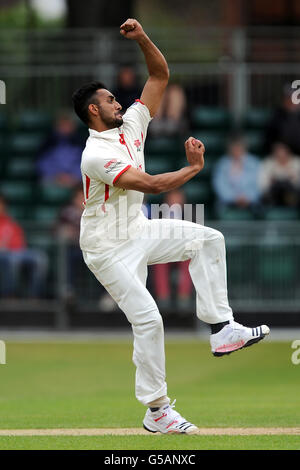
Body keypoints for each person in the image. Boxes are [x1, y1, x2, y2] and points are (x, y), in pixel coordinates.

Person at [72, 18, 269, 435]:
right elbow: (150, 183)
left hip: (138, 229)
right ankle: (157, 410)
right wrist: (194, 168)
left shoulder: (132, 126)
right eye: (110, 99)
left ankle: (221, 328)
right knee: (149, 319)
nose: (118, 102)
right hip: (107, 248)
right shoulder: (95, 154)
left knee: (209, 239)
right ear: (94, 110)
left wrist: (142, 38)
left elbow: (160, 75)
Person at [151, 189, 193, 313]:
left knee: (188, 262)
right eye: (172, 198)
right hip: (164, 251)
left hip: (183, 250)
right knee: (158, 263)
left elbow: (195, 234)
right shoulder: (158, 214)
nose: (175, 201)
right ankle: (163, 296)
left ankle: (183, 297)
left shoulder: (191, 214)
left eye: (177, 198)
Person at [0, 194, 48, 298]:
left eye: (2, 204)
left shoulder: (10, 222)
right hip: (5, 255)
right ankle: (10, 295)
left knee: (40, 257)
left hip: (17, 251)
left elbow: (20, 242)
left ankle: (34, 296)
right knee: (13, 260)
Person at [212, 136, 261, 214]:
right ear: (230, 148)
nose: (237, 149)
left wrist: (248, 198)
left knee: (260, 208)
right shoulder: (222, 164)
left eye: (239, 146)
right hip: (227, 202)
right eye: (234, 147)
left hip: (251, 203)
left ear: (244, 147)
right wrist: (234, 198)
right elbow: (219, 186)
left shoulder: (254, 163)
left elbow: (259, 185)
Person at [36, 111, 83, 187]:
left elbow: (85, 163)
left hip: (75, 179)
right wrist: (57, 175)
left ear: (73, 126)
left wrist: (72, 176)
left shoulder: (81, 143)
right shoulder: (47, 143)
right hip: (52, 178)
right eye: (62, 125)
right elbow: (42, 163)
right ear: (56, 127)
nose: (65, 128)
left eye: (68, 125)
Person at [259, 142, 300, 207]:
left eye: (283, 152)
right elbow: (263, 184)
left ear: (288, 152)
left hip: (292, 193)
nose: (281, 155)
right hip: (274, 194)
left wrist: (292, 179)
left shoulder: (297, 162)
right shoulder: (268, 162)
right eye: (278, 153)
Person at [264, 84, 300, 156]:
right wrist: (276, 147)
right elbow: (268, 141)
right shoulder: (276, 116)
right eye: (289, 98)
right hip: (281, 158)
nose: (291, 101)